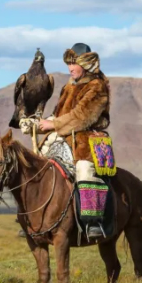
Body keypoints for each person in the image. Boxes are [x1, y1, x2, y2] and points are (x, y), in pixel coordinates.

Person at [34, 43, 112, 240]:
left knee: (84, 170)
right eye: (68, 64)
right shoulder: (68, 86)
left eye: (73, 64)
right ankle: (35, 217)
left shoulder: (97, 86)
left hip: (88, 141)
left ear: (85, 64)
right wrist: (38, 123)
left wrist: (53, 125)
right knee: (36, 164)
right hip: (63, 136)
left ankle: (93, 222)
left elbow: (82, 116)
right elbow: (59, 114)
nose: (70, 68)